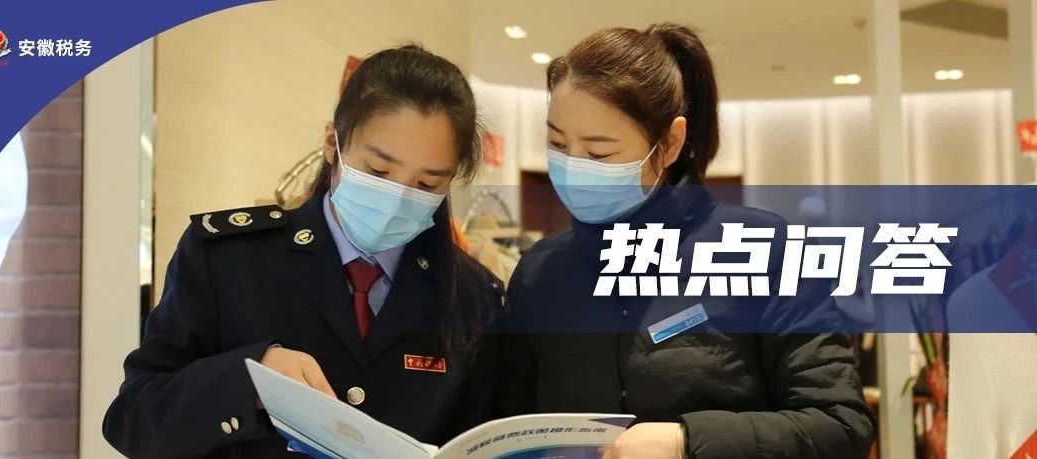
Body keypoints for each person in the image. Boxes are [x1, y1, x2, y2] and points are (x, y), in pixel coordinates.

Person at [103, 44, 503, 458]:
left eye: (427, 184)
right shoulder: (229, 259)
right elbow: (132, 421)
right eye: (378, 171)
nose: (399, 197)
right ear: (333, 143)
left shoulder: (473, 297)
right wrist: (249, 379)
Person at [495, 24, 875, 459]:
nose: (573, 167)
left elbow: (840, 426)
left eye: (599, 153)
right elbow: (511, 429)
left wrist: (685, 441)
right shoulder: (540, 274)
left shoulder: (765, 250)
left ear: (670, 142)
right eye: (558, 143)